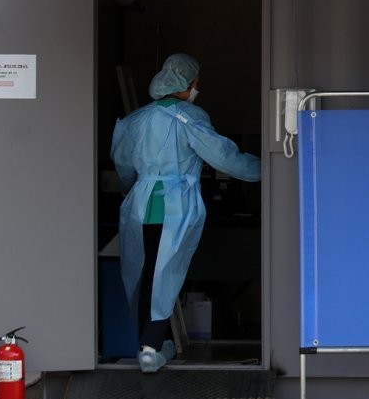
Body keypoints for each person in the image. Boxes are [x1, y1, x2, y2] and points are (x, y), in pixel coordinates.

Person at [110, 53, 261, 373]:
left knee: (145, 273)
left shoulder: (136, 120)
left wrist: (132, 187)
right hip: (175, 205)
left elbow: (123, 165)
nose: (196, 89)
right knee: (166, 276)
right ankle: (151, 348)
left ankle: (148, 341)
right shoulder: (189, 117)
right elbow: (222, 156)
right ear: (183, 85)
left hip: (139, 204)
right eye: (195, 83)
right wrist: (266, 169)